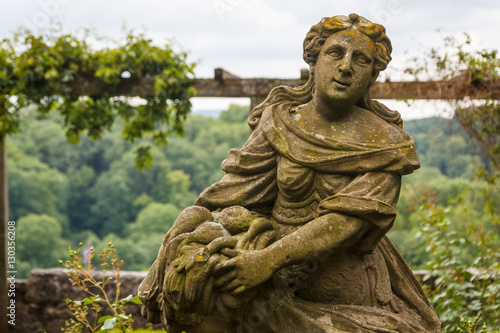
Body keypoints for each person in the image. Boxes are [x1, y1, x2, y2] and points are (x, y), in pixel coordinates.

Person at [139, 14, 441, 333]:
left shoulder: (387, 144)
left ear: (371, 76)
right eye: (336, 53)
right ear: (314, 61)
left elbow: (346, 223)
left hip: (343, 293)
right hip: (266, 280)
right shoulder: (280, 122)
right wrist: (167, 261)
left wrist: (266, 260)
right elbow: (229, 194)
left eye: (361, 59)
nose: (346, 66)